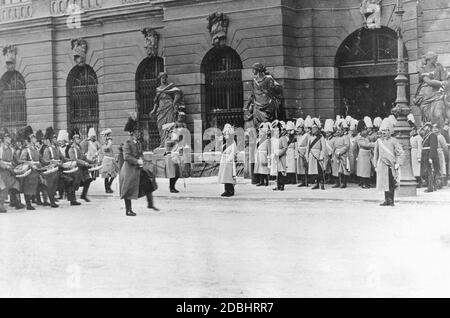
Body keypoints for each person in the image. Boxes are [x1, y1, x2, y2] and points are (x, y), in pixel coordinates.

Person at [120, 115, 159, 216]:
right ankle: (128, 210)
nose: (139, 133)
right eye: (137, 132)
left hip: (138, 169)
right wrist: (137, 161)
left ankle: (150, 204)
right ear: (133, 133)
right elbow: (127, 157)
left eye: (139, 131)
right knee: (128, 189)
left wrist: (142, 160)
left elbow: (140, 154)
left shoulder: (138, 143)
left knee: (148, 182)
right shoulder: (127, 143)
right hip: (129, 170)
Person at [373, 117, 404, 206]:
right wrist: (375, 165)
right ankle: (386, 199)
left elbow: (400, 152)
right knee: (384, 183)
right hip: (382, 165)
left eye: (386, 131)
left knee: (391, 183)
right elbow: (376, 154)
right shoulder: (378, 141)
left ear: (390, 131)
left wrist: (398, 163)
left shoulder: (394, 141)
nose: (384, 133)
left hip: (391, 165)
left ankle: (391, 200)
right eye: (382, 131)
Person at [151, 72, 186, 147]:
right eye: (162, 77)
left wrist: (174, 102)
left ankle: (169, 142)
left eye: (165, 77)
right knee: (161, 125)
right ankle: (163, 142)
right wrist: (154, 110)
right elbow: (156, 101)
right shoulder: (158, 89)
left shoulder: (170, 87)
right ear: (160, 79)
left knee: (169, 124)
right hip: (161, 108)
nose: (164, 79)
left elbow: (178, 93)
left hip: (169, 107)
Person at [244, 63, 282, 128]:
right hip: (257, 107)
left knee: (268, 126)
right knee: (258, 127)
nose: (252, 71)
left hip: (267, 106)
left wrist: (270, 89)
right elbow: (253, 94)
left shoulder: (268, 79)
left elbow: (276, 90)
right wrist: (247, 106)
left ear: (258, 70)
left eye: (253, 69)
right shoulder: (254, 80)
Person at [67, 129, 95, 205]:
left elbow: (84, 158)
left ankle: (83, 195)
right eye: (77, 138)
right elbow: (74, 159)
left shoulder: (79, 148)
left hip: (83, 169)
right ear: (73, 140)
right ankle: (73, 200)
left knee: (88, 180)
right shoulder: (71, 149)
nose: (78, 139)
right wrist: (84, 163)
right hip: (75, 169)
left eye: (79, 138)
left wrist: (93, 162)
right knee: (74, 184)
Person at [0, 128, 25, 211]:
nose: (9, 140)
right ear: (4, 139)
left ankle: (16, 202)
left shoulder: (12, 149)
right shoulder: (0, 149)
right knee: (3, 188)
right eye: (7, 138)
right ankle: (1, 205)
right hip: (2, 172)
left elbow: (16, 160)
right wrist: (6, 166)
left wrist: (24, 163)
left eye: (10, 138)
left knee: (16, 184)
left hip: (10, 171)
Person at [19, 126, 41, 210]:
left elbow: (40, 158)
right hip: (29, 171)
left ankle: (32, 202)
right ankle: (28, 204)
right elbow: (22, 160)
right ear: (30, 140)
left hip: (36, 171)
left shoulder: (36, 149)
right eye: (33, 137)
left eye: (34, 137)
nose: (35, 139)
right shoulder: (26, 150)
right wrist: (31, 164)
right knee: (28, 187)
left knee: (33, 187)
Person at [41, 127, 62, 208]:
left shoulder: (56, 148)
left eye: (55, 138)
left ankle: (52, 200)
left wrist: (68, 160)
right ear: (51, 139)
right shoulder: (47, 149)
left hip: (56, 170)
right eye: (54, 138)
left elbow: (62, 157)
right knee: (50, 185)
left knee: (55, 186)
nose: (56, 139)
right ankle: (52, 202)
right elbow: (46, 161)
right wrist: (54, 162)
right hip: (50, 170)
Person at [218, 124, 237, 197]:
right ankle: (226, 190)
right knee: (224, 176)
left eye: (227, 134)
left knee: (229, 177)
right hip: (224, 161)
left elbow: (233, 153)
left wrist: (229, 160)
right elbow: (221, 151)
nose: (225, 136)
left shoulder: (233, 143)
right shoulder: (225, 143)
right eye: (225, 134)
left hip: (229, 162)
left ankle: (231, 190)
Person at [163, 122, 182, 193]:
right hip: (170, 157)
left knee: (177, 173)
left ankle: (172, 186)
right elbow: (170, 147)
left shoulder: (174, 140)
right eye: (171, 131)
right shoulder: (168, 140)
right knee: (173, 174)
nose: (173, 132)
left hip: (174, 156)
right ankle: (172, 188)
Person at [307, 118, 326, 190]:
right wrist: (307, 156)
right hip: (311, 155)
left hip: (317, 155)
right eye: (312, 128)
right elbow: (308, 147)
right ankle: (316, 183)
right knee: (313, 171)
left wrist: (321, 156)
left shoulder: (321, 137)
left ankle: (321, 183)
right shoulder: (310, 137)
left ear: (318, 129)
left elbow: (323, 148)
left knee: (319, 170)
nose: (314, 130)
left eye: (315, 128)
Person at [331, 118, 350, 188]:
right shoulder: (336, 138)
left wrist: (340, 152)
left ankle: (343, 182)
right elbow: (334, 146)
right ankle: (337, 182)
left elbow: (347, 146)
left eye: (340, 130)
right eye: (337, 130)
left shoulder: (346, 137)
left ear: (343, 130)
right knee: (335, 169)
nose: (338, 132)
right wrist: (333, 154)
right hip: (336, 155)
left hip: (343, 155)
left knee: (343, 170)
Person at [356, 120, 375, 189]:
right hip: (363, 153)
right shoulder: (359, 137)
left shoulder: (365, 136)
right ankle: (364, 183)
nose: (366, 131)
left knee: (368, 170)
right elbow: (366, 145)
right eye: (364, 129)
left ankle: (367, 183)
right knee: (364, 170)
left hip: (367, 153)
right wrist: (375, 144)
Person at [100, 128, 119, 194]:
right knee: (108, 175)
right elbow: (107, 147)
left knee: (112, 175)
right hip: (108, 159)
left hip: (109, 158)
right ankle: (107, 188)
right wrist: (108, 143)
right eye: (109, 134)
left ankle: (108, 187)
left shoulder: (105, 140)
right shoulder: (107, 140)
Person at [408, 114, 423, 188]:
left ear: (415, 130)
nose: (412, 131)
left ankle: (419, 182)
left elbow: (420, 147)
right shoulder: (411, 137)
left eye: (413, 130)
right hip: (412, 153)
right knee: (414, 168)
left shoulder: (418, 137)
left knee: (417, 168)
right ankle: (416, 181)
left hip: (416, 153)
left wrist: (419, 156)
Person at [254, 122, 270, 187]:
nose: (260, 132)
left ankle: (267, 181)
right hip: (258, 154)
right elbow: (256, 148)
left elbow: (269, 149)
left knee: (264, 168)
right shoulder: (258, 139)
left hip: (264, 155)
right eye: (260, 131)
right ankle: (261, 181)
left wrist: (268, 156)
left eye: (262, 131)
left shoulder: (267, 139)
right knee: (260, 169)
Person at [295, 118, 309, 187]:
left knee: (305, 168)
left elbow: (308, 145)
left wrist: (304, 153)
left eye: (299, 128)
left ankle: (306, 181)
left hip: (304, 153)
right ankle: (303, 181)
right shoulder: (298, 136)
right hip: (299, 153)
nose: (298, 130)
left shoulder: (306, 135)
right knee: (300, 168)